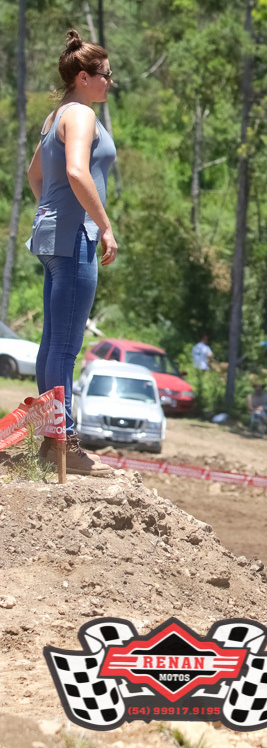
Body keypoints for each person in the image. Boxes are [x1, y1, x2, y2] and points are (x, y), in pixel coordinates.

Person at [25, 30, 118, 477]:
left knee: (51, 345)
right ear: (83, 77)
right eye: (105, 75)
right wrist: (103, 225)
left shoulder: (54, 116)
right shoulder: (80, 114)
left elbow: (34, 175)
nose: (110, 83)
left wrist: (51, 208)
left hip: (51, 237)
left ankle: (52, 441)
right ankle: (64, 444)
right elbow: (78, 171)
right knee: (65, 346)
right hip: (75, 236)